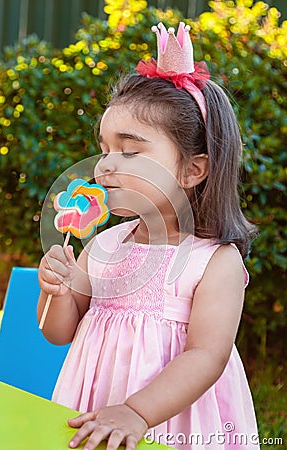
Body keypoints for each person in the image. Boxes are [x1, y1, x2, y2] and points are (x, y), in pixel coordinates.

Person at [37, 22, 259, 450]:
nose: (104, 165)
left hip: (172, 419)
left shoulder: (213, 261)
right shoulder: (102, 246)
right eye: (104, 149)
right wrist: (57, 294)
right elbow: (58, 332)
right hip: (96, 404)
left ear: (193, 170)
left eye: (130, 151)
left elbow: (206, 356)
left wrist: (137, 411)